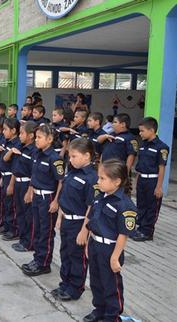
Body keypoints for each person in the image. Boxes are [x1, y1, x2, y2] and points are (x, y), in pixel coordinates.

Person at [83, 159, 137, 322]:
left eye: (102, 178)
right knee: (96, 281)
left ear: (117, 181)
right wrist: (87, 244)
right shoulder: (100, 197)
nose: (98, 181)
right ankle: (99, 309)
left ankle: (112, 315)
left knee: (111, 285)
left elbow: (123, 234)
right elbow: (91, 222)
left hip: (110, 249)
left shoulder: (125, 205)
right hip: (95, 245)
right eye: (98, 177)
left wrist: (115, 256)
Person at [54, 138, 98, 302]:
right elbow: (65, 197)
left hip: (79, 223)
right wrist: (59, 216)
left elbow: (91, 207)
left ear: (87, 156)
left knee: (77, 256)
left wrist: (84, 230)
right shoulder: (72, 171)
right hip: (66, 220)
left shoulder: (92, 178)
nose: (70, 160)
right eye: (69, 156)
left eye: (74, 156)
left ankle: (75, 288)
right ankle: (65, 283)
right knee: (65, 253)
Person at [22, 124, 64, 276]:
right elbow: (34, 175)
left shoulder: (55, 158)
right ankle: (37, 258)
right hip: (37, 196)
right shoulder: (37, 154)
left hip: (48, 197)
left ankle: (44, 263)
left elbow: (61, 181)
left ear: (50, 139)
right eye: (36, 137)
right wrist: (31, 190)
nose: (36, 140)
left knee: (46, 231)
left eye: (40, 138)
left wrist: (56, 201)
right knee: (38, 229)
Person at [133, 117, 169, 242]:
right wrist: (137, 181)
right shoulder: (143, 145)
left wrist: (159, 187)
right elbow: (140, 165)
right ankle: (140, 228)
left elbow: (161, 168)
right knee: (141, 205)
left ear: (152, 130)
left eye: (142, 131)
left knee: (152, 206)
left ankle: (147, 232)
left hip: (153, 181)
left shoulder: (161, 147)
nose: (140, 133)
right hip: (142, 179)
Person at [10, 121, 37, 252]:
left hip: (27, 184)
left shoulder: (34, 151)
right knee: (20, 212)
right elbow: (16, 168)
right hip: (18, 183)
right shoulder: (21, 146)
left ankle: (29, 243)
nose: (20, 135)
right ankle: (22, 239)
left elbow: (34, 173)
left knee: (28, 215)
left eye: (22, 133)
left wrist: (30, 191)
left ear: (31, 135)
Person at [0, 118, 21, 240]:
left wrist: (11, 184)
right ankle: (7, 226)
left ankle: (14, 230)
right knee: (6, 203)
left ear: (13, 130)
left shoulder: (17, 144)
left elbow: (15, 168)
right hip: (5, 176)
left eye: (5, 129)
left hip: (11, 178)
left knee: (12, 205)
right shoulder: (7, 141)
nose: (3, 132)